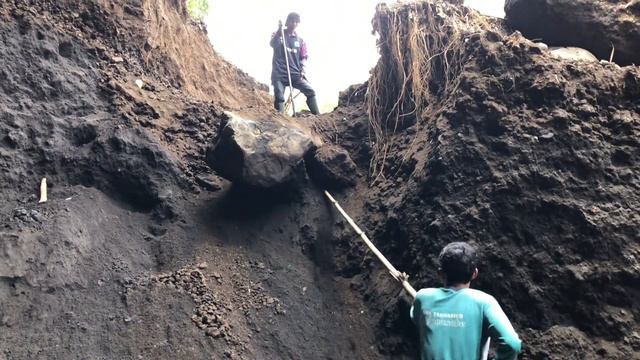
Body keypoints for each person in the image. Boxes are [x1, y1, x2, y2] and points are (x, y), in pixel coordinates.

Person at [410, 242, 522, 360]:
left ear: (440, 273)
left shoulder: (422, 297)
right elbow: (512, 343)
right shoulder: (484, 302)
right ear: (474, 274)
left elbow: (416, 318)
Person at [269, 12, 319, 115]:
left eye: (296, 22)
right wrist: (279, 31)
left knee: (310, 91)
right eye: (292, 21)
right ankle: (281, 119)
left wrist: (302, 69)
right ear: (287, 22)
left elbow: (304, 57)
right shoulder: (278, 34)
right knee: (279, 97)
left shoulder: (300, 41)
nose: (294, 23)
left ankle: (318, 116)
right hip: (279, 73)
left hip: (294, 73)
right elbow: (272, 44)